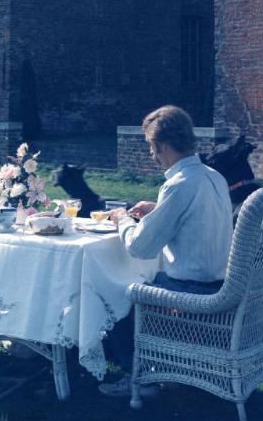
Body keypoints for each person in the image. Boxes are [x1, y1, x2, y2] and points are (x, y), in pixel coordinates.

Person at [99, 105, 233, 397]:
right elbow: (198, 218)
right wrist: (158, 211)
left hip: (191, 293)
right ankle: (154, 369)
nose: (151, 155)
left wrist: (121, 218)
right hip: (220, 285)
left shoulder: (178, 184)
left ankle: (143, 378)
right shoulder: (213, 177)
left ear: (160, 146)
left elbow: (140, 247)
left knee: (114, 293)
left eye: (151, 147)